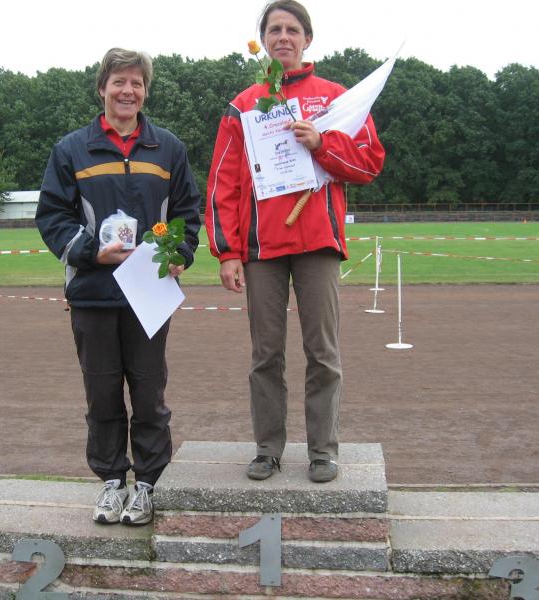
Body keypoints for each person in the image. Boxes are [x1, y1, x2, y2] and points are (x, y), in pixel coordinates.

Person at [205, 1, 385, 483]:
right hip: (261, 248)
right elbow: (223, 182)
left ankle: (323, 451)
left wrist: (322, 143)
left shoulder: (336, 98)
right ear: (263, 39)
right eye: (273, 29)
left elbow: (369, 163)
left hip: (317, 244)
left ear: (307, 38)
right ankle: (268, 449)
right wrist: (228, 252)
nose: (282, 37)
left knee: (323, 352)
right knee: (266, 354)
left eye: (291, 29)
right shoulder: (243, 105)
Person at [36, 48, 201, 525]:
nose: (128, 91)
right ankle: (112, 482)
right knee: (102, 394)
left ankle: (147, 484)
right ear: (102, 88)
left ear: (145, 91)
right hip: (93, 293)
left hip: (149, 293)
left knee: (149, 393)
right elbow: (52, 216)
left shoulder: (168, 148)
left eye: (136, 83)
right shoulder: (71, 149)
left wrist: (180, 253)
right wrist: (91, 252)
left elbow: (187, 212)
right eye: (119, 82)